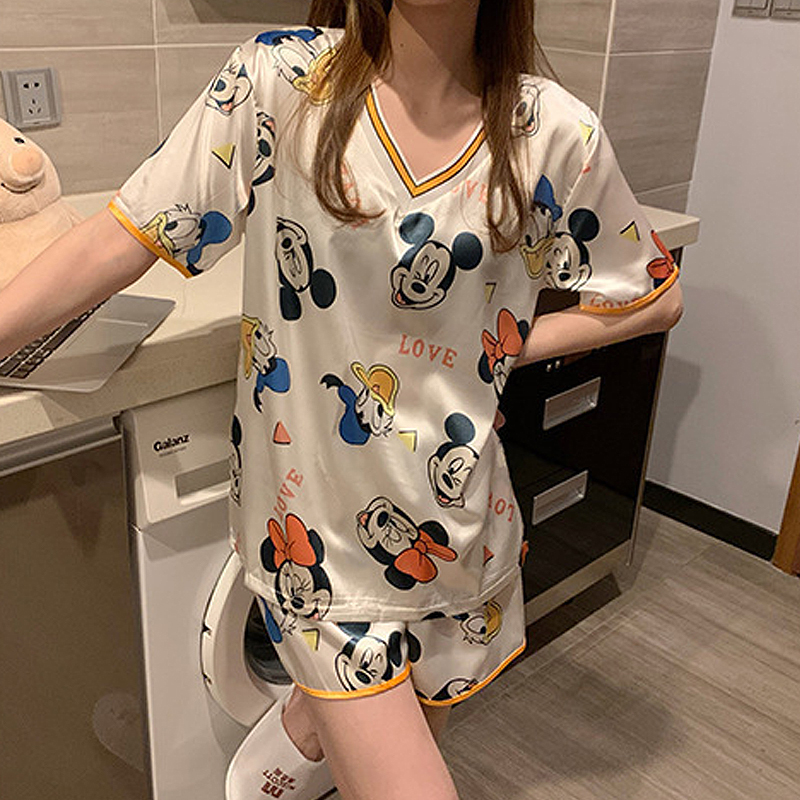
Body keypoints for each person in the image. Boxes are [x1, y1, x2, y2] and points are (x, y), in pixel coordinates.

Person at [0, 1, 683, 798]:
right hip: (315, 546)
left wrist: (509, 343)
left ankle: (303, 725)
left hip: (459, 537)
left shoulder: (553, 131)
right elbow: (128, 230)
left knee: (414, 743)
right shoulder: (280, 82)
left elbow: (654, 295)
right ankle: (310, 720)